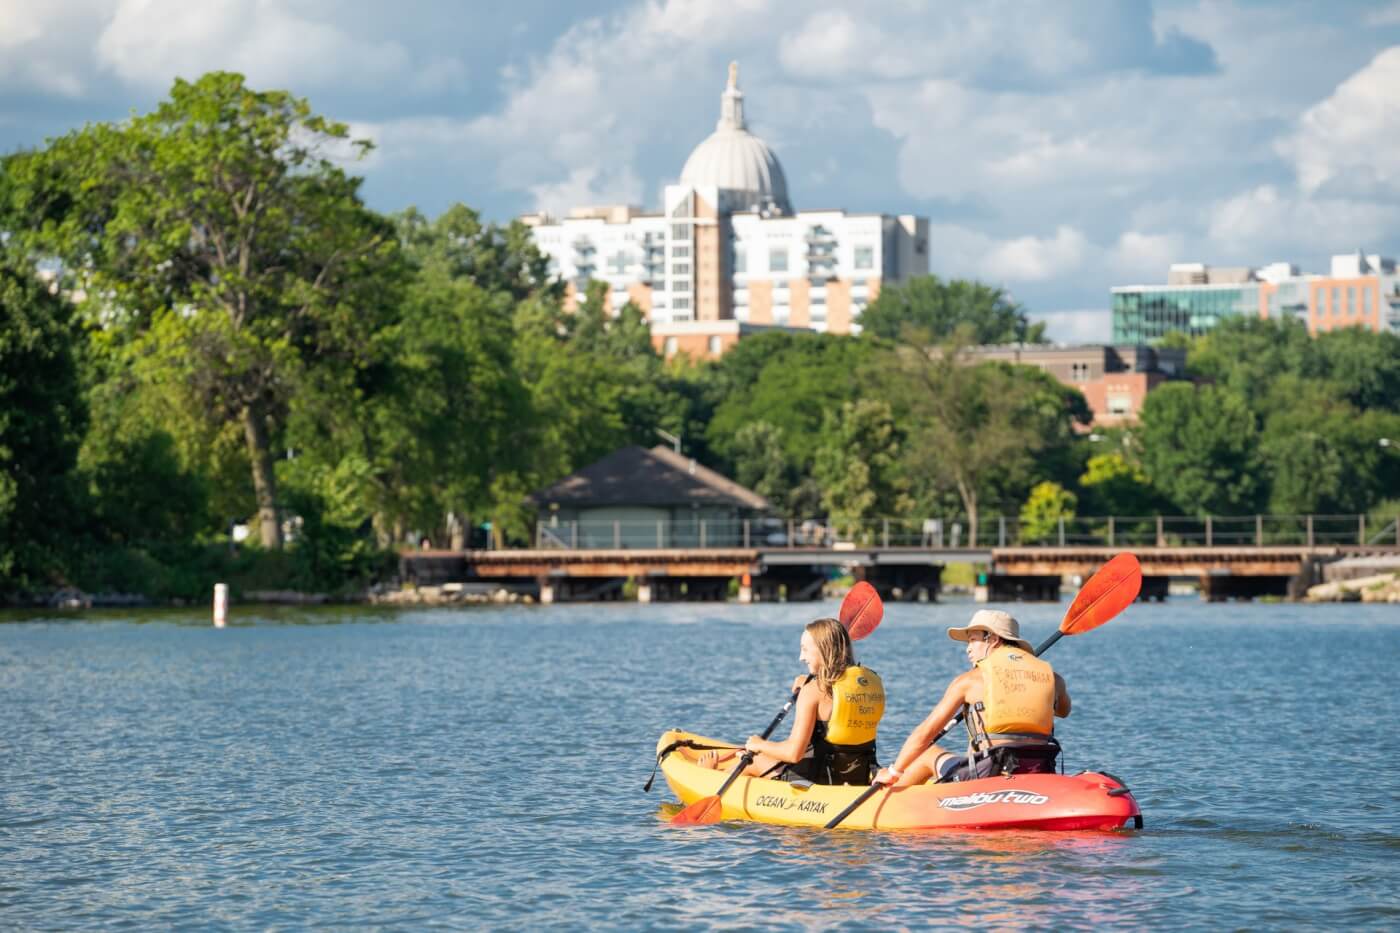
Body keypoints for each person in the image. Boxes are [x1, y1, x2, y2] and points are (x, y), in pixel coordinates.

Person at [874, 609, 1069, 787]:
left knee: (926, 753)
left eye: (973, 640)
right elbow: (1063, 711)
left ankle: (887, 798)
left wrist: (893, 771)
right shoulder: (1053, 678)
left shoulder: (968, 682)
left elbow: (925, 733)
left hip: (989, 774)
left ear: (992, 640)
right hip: (1040, 768)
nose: (968, 648)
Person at [697, 617, 885, 785]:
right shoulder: (870, 681)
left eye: (805, 649)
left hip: (817, 781)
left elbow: (793, 753)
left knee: (751, 759)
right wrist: (810, 681)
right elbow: (836, 697)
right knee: (760, 753)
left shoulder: (812, 692)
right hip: (858, 776)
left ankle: (709, 780)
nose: (801, 657)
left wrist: (758, 744)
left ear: (823, 651)